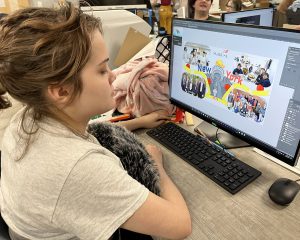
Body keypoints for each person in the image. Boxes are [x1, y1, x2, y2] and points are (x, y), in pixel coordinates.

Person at [0, 3, 192, 240]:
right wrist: (156, 167)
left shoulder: (27, 118)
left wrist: (137, 122)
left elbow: (83, 135)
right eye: (102, 70)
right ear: (61, 91)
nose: (113, 75)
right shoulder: (79, 170)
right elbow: (180, 225)